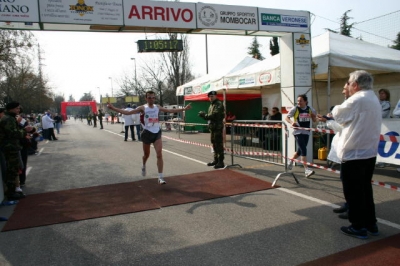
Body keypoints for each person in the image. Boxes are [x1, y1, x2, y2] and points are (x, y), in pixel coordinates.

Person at [332, 70, 381, 239]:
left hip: (355, 153)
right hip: (369, 152)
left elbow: (338, 114)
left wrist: (339, 104)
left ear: (355, 84)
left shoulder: (357, 99)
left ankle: (358, 226)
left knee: (353, 193)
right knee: (365, 191)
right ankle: (371, 223)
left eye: (348, 83)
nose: (346, 86)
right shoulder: (373, 97)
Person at [107, 90, 191, 184]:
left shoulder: (157, 107)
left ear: (155, 98)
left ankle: (160, 177)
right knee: (146, 155)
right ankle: (143, 165)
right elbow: (128, 113)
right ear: (146, 98)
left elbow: (171, 110)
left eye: (153, 97)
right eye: (149, 97)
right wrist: (113, 108)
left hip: (157, 132)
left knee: (159, 154)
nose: (151, 99)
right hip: (147, 133)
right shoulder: (143, 108)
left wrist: (184, 109)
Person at [317, 86, 351, 220]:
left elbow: (341, 127)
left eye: (345, 89)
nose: (342, 91)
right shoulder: (350, 104)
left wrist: (328, 121)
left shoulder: (354, 104)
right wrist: (328, 119)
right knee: (346, 180)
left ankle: (354, 211)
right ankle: (348, 205)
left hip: (352, 150)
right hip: (346, 149)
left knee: (350, 182)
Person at [0, 102, 33, 200]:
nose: (18, 110)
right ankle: (11, 192)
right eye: (17, 108)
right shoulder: (8, 119)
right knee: (12, 170)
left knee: (14, 169)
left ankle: (13, 190)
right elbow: (12, 133)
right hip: (10, 147)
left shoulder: (9, 118)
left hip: (11, 147)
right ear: (11, 109)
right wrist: (25, 131)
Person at [285, 94, 317, 178]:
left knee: (299, 151)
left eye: (300, 101)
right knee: (303, 149)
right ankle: (306, 170)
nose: (299, 102)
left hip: (306, 132)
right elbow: (287, 118)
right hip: (298, 131)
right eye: (298, 101)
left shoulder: (310, 109)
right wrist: (292, 123)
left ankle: (291, 161)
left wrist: (314, 117)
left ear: (305, 101)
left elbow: (314, 120)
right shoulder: (295, 108)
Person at [198, 90, 226, 169]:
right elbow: (211, 116)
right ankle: (216, 160)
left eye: (212, 96)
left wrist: (205, 115)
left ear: (216, 96)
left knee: (218, 144)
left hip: (217, 127)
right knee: (214, 144)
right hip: (213, 127)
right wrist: (205, 116)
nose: (211, 98)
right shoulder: (211, 105)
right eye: (209, 96)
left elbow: (215, 115)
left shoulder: (219, 104)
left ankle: (221, 161)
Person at [376, 88, 391, 168]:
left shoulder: (387, 104)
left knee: (383, 144)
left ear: (386, 95)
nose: (381, 95)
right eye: (380, 93)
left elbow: (382, 115)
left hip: (384, 126)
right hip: (377, 126)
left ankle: (383, 161)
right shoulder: (377, 102)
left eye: (383, 93)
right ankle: (379, 160)